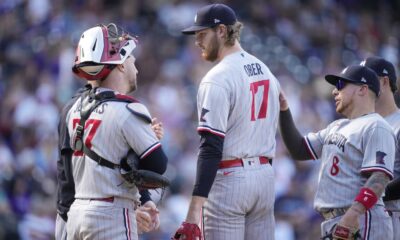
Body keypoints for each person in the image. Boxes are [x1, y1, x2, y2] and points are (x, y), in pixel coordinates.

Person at [173, 3, 281, 240]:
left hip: (230, 180)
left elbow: (211, 147)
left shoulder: (217, 78)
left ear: (221, 31)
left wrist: (193, 211)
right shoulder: (265, 70)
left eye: (202, 34)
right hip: (264, 177)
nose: (196, 41)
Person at [63, 23, 168, 240]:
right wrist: (147, 142)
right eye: (131, 60)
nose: (135, 67)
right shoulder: (128, 108)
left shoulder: (74, 108)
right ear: (119, 65)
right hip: (109, 215)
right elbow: (158, 165)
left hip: (76, 214)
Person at [279, 65, 395, 239]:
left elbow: (379, 177)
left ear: (362, 89)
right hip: (336, 220)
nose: (334, 91)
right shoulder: (337, 126)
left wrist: (354, 213)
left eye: (341, 84)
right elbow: (299, 150)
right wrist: (284, 109)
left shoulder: (376, 126)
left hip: (362, 221)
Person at [55, 82, 163, 239]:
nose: (134, 69)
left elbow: (117, 162)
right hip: (88, 212)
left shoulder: (78, 106)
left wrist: (143, 199)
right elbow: (72, 174)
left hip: (76, 215)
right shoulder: (109, 108)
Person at [361, 56, 400, 240]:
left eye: (368, 80)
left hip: (394, 215)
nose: (363, 87)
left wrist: (367, 196)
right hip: (367, 215)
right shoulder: (363, 125)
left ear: (384, 82)